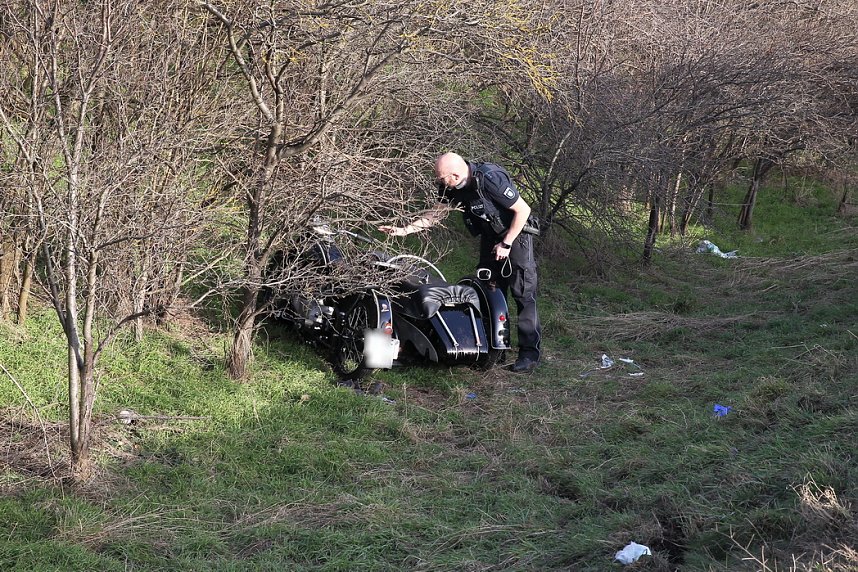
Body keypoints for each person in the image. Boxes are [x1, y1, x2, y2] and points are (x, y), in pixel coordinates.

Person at [380, 152, 542, 372]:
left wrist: (506, 243)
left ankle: (529, 356)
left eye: (441, 177)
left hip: (516, 236)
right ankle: (497, 350)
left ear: (455, 175)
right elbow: (435, 214)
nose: (439, 181)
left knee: (523, 294)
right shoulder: (450, 187)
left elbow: (523, 210)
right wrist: (404, 230)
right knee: (490, 290)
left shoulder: (490, 179)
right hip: (490, 238)